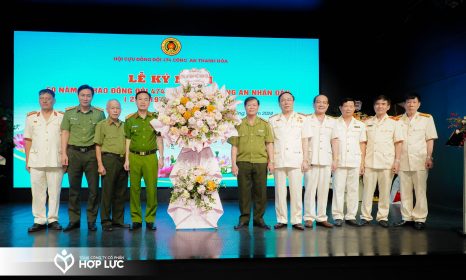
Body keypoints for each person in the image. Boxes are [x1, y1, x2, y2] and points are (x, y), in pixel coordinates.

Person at [61, 84, 106, 232]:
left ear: (92, 97)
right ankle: (74, 221)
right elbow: (65, 133)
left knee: (94, 190)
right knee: (74, 189)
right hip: (74, 153)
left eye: (88, 95)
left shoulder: (99, 113)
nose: (85, 98)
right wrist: (63, 153)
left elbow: (102, 136)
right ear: (78, 96)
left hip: (92, 154)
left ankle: (92, 221)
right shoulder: (69, 113)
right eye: (83, 95)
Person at [229, 97, 274, 230]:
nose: (252, 107)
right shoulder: (238, 124)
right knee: (244, 192)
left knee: (261, 192)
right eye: (249, 105)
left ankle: (259, 219)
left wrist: (271, 161)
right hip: (242, 162)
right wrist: (233, 164)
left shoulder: (265, 124)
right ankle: (244, 219)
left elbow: (269, 143)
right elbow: (234, 146)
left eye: (254, 105)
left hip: (261, 162)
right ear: (245, 107)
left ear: (258, 107)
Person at [269, 91, 311, 230]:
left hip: (296, 159)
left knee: (297, 191)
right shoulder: (273, 120)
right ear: (279, 103)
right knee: (280, 192)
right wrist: (271, 161)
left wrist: (305, 159)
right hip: (279, 159)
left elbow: (305, 140)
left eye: (289, 100)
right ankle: (281, 219)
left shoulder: (302, 119)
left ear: (293, 102)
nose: (286, 102)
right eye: (283, 100)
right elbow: (270, 142)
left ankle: (296, 220)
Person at [24, 89, 65, 232]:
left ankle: (53, 219)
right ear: (39, 100)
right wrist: (27, 160)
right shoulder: (31, 117)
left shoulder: (61, 117)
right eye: (42, 98)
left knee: (55, 192)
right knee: (37, 192)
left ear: (54, 100)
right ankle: (39, 220)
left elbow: (66, 139)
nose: (45, 100)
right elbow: (28, 139)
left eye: (48, 98)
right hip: (36, 160)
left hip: (56, 159)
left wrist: (66, 158)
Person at [395, 93, 437, 230]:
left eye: (414, 102)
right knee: (404, 190)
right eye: (408, 102)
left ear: (419, 104)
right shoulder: (398, 120)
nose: (411, 104)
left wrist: (429, 157)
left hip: (420, 159)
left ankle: (420, 218)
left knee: (420, 190)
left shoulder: (426, 118)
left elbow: (429, 139)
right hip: (403, 160)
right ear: (404, 104)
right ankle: (406, 217)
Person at [360, 95, 403, 228]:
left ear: (388, 106)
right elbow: (363, 144)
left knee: (385, 192)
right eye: (377, 104)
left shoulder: (394, 123)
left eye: (383, 104)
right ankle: (365, 216)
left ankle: (382, 217)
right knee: (367, 191)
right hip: (370, 162)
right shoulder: (366, 122)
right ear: (374, 106)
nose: (380, 106)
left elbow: (398, 143)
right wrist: (361, 162)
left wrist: (397, 161)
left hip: (387, 162)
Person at [124, 90, 164, 231]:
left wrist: (162, 157)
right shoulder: (129, 120)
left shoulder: (155, 119)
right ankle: (136, 219)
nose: (142, 101)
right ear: (135, 101)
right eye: (140, 99)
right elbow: (127, 140)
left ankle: (150, 219)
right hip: (134, 157)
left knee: (151, 189)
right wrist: (126, 159)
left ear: (150, 101)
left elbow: (159, 139)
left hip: (150, 157)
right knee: (134, 189)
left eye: (145, 99)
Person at [303, 94, 339, 229]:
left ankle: (322, 217)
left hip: (326, 160)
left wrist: (335, 159)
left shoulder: (332, 122)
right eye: (318, 102)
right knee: (310, 190)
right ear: (313, 104)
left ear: (328, 105)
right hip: (311, 160)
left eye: (324, 102)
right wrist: (305, 159)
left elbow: (335, 141)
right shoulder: (306, 120)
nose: (321, 104)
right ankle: (308, 217)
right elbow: (305, 140)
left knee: (324, 191)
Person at [94, 99, 129, 231]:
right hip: (108, 160)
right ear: (107, 110)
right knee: (107, 192)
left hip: (122, 160)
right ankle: (105, 221)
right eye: (112, 108)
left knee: (121, 192)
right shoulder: (101, 125)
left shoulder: (125, 125)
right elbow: (98, 145)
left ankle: (118, 220)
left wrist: (127, 160)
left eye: (118, 108)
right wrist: (100, 164)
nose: (115, 110)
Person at [332, 98, 367, 227]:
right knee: (338, 189)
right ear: (340, 108)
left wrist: (362, 163)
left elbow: (362, 144)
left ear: (354, 108)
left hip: (355, 161)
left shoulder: (360, 125)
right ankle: (337, 216)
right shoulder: (334, 123)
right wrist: (334, 160)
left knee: (353, 189)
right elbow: (333, 142)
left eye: (351, 106)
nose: (348, 108)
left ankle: (351, 216)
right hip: (339, 161)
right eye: (345, 106)